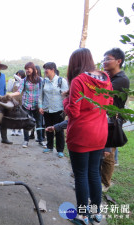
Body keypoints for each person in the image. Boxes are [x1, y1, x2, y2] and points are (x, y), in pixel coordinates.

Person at [63, 48, 113, 224]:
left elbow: (74, 113)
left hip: (81, 135)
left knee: (81, 175)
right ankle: (96, 212)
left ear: (75, 63)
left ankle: (83, 215)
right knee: (94, 173)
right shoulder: (106, 80)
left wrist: (65, 102)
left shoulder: (79, 81)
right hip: (100, 134)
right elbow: (109, 105)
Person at [101, 48, 130, 192]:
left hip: (113, 121)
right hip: (103, 118)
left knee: (108, 153)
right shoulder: (109, 77)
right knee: (101, 150)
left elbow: (101, 91)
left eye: (108, 59)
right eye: (104, 59)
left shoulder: (121, 80)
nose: (104, 62)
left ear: (118, 61)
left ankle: (105, 183)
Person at [8, 62, 45, 148]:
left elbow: (42, 92)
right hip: (26, 105)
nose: (27, 70)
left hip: (37, 105)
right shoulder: (23, 80)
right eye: (26, 69)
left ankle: (40, 140)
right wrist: (10, 95)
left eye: (28, 68)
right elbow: (19, 91)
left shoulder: (40, 80)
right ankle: (26, 140)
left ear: (33, 69)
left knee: (39, 123)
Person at [39, 62, 68, 158]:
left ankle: (60, 150)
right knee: (48, 129)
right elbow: (40, 95)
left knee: (59, 131)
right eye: (45, 68)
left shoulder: (61, 80)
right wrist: (40, 106)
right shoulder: (44, 81)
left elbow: (66, 96)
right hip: (47, 109)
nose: (45, 70)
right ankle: (49, 146)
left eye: (47, 68)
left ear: (53, 70)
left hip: (58, 110)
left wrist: (66, 108)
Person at [9, 70, 26, 136]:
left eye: (19, 75)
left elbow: (21, 80)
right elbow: (9, 90)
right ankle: (13, 129)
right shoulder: (15, 82)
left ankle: (19, 129)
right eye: (17, 74)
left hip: (22, 100)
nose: (18, 76)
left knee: (20, 115)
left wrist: (15, 75)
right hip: (14, 100)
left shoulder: (24, 82)